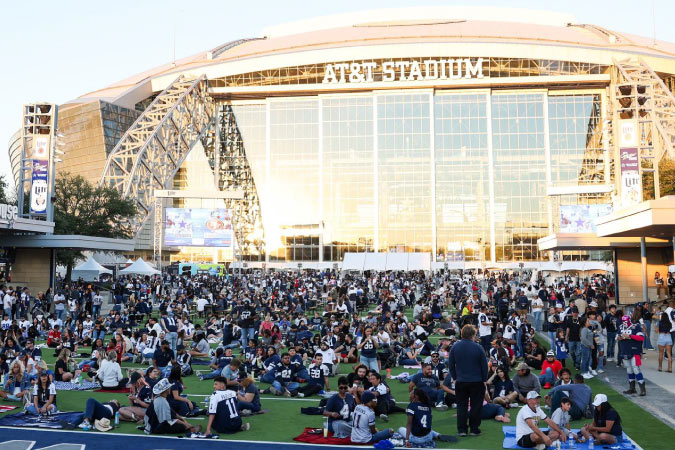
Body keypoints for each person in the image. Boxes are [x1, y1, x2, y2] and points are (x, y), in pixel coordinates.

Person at [447, 324, 488, 437]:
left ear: (462, 333)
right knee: (476, 406)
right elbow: (484, 366)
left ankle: (462, 430)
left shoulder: (455, 347)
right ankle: (474, 429)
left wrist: (455, 378)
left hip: (461, 381)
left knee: (462, 406)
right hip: (477, 381)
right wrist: (484, 379)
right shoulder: (478, 347)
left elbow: (451, 365)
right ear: (473, 334)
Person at [618, 314, 646, 396]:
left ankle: (642, 389)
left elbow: (641, 338)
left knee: (636, 369)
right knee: (629, 369)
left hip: (635, 350)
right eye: (623, 321)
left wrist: (630, 336)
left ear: (629, 320)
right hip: (625, 350)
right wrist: (619, 337)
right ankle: (632, 388)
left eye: (626, 321)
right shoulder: (620, 327)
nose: (624, 323)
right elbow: (617, 336)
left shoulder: (636, 326)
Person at [656, 307, 673, 372]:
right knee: (669, 353)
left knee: (661, 353)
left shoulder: (659, 322)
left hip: (661, 336)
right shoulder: (669, 323)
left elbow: (657, 331)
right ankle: (670, 368)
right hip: (668, 336)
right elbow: (670, 329)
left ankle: (660, 367)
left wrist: (656, 327)